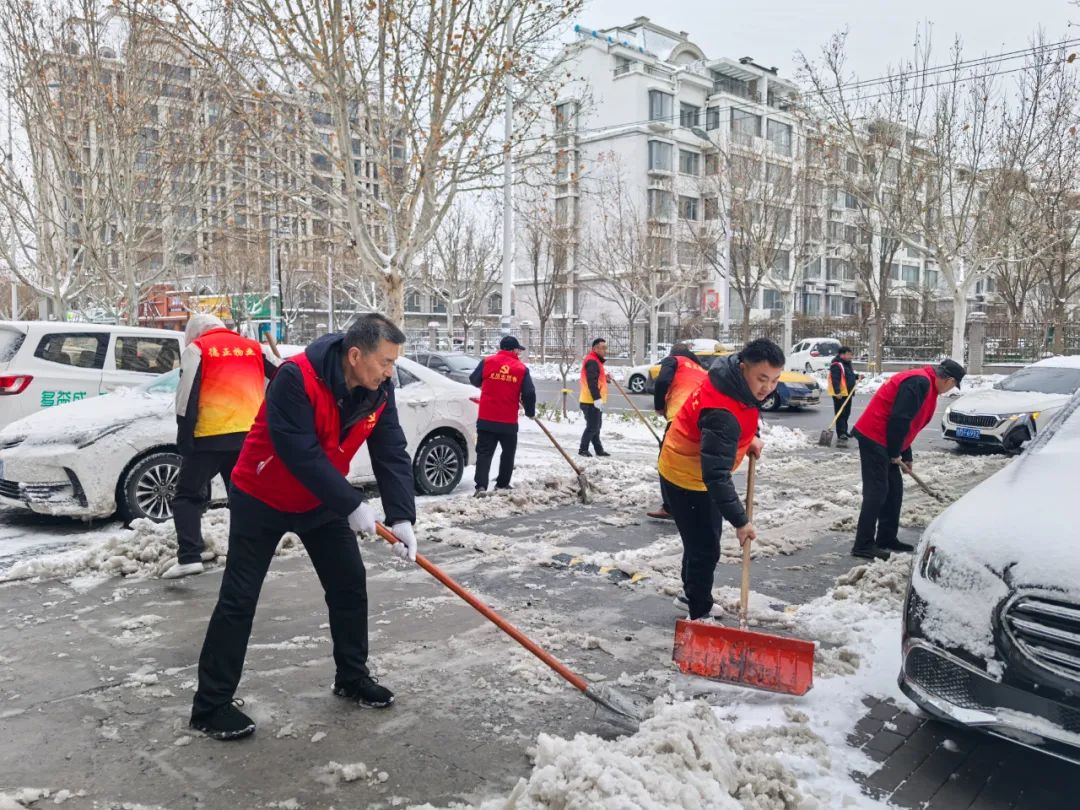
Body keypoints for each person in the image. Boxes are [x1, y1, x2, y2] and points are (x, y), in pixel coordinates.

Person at [188, 314, 418, 741]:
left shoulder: (379, 390)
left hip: (320, 500)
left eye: (393, 363)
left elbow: (391, 451)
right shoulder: (296, 378)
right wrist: (351, 503)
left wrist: (402, 515)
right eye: (386, 362)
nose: (390, 371)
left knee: (349, 584)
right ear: (355, 355)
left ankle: (352, 676)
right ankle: (211, 706)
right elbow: (300, 452)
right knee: (239, 598)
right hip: (261, 496)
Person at [658, 339, 784, 621]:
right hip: (686, 476)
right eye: (762, 379)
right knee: (704, 548)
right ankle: (699, 612)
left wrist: (749, 438)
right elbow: (715, 475)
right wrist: (741, 522)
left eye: (775, 380)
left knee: (700, 541)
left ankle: (691, 595)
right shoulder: (722, 413)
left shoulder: (730, 379)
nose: (768, 388)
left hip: (690, 466)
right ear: (743, 367)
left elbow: (740, 415)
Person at [163, 314, 279, 580]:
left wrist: (185, 438)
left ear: (194, 333)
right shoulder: (254, 347)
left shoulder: (197, 349)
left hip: (209, 436)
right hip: (249, 436)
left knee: (187, 496)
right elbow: (285, 374)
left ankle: (189, 556)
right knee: (241, 496)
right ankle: (247, 552)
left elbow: (186, 396)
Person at [850, 359, 966, 561]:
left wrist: (906, 454)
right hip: (874, 436)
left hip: (886, 439)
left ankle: (886, 537)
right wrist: (896, 452)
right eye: (954, 386)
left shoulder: (926, 384)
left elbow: (908, 424)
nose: (951, 390)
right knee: (877, 491)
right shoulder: (919, 382)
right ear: (949, 380)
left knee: (894, 489)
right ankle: (863, 544)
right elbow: (899, 419)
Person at [646, 344, 708, 520]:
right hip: (704, 420)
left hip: (682, 418)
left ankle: (671, 507)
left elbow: (662, 381)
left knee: (667, 461)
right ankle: (695, 505)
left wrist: (659, 406)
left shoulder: (674, 360)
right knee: (694, 463)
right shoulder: (702, 370)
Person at [469, 335, 537, 495]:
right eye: (518, 350)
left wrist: (490, 383)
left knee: (484, 453)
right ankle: (502, 484)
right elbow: (529, 393)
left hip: (486, 419)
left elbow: (474, 380)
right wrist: (530, 411)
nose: (519, 353)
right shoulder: (521, 369)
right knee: (508, 453)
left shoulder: (487, 362)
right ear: (514, 350)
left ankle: (481, 487)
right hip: (508, 421)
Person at [579, 338, 612, 457]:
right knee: (592, 427)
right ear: (595, 349)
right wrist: (596, 398)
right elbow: (591, 382)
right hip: (590, 401)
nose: (605, 350)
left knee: (596, 427)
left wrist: (605, 378)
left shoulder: (596, 361)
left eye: (605, 348)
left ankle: (599, 450)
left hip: (594, 401)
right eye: (602, 348)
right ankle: (583, 449)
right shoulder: (592, 361)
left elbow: (596, 378)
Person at [828, 346, 858, 447]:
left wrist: (857, 376)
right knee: (840, 413)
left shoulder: (847, 363)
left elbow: (848, 375)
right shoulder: (836, 365)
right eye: (849, 354)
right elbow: (835, 379)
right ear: (842, 354)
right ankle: (841, 433)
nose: (851, 357)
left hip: (848, 393)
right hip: (840, 394)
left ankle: (844, 431)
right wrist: (837, 392)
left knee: (846, 413)